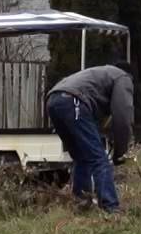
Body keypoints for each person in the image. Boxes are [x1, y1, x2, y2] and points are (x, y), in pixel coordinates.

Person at [46, 62, 134, 214]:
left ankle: (81, 203)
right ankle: (111, 208)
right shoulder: (123, 77)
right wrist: (121, 152)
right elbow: (123, 118)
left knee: (82, 157)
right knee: (99, 158)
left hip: (54, 100)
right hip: (72, 100)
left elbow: (95, 119)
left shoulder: (101, 75)